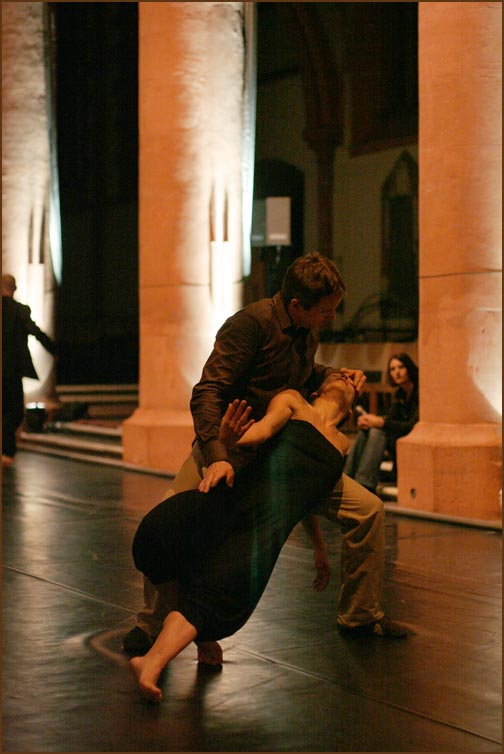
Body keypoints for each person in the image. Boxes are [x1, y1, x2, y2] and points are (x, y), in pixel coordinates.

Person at [123, 253, 407, 663]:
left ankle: (359, 616)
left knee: (369, 511)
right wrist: (217, 454)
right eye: (325, 310)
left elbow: (303, 372)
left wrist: (333, 376)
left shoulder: (306, 331)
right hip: (234, 446)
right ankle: (153, 624)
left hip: (285, 455)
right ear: (297, 305)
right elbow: (208, 391)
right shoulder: (250, 324)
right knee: (172, 523)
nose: (331, 317)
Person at [130, 372, 357, 702]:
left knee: (217, 597)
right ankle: (185, 639)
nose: (345, 378)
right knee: (158, 534)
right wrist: (229, 439)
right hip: (238, 500)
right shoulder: (294, 401)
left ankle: (151, 663)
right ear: (318, 390)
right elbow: (262, 431)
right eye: (338, 375)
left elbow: (307, 498)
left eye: (349, 381)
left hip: (266, 529)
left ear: (351, 410)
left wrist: (319, 549)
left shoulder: (342, 444)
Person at [2, 274, 57, 466]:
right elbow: (36, 332)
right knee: (15, 412)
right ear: (14, 289)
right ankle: (7, 450)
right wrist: (54, 350)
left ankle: (6, 450)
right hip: (13, 370)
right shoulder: (20, 311)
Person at [344, 353, 419, 493]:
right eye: (393, 369)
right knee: (368, 429)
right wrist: (371, 421)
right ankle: (346, 478)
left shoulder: (419, 392)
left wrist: (381, 423)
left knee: (377, 432)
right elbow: (390, 419)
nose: (397, 372)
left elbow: (412, 426)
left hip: (412, 437)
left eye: (401, 367)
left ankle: (364, 484)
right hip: (399, 437)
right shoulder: (399, 393)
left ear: (409, 368)